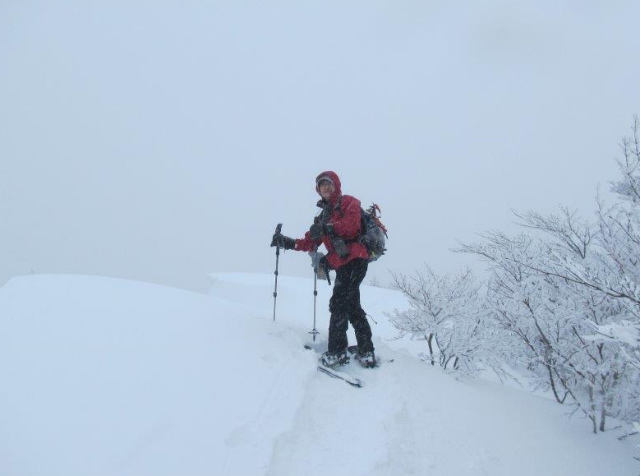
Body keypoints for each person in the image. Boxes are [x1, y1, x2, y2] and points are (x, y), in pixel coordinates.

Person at [270, 171, 376, 368]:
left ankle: (337, 352)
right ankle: (366, 349)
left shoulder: (349, 202)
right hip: (344, 263)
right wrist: (287, 243)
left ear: (337, 185)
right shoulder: (322, 217)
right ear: (318, 190)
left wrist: (328, 229)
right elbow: (310, 243)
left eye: (329, 184)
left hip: (356, 258)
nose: (326, 188)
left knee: (338, 303)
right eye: (322, 185)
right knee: (351, 305)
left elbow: (351, 226)